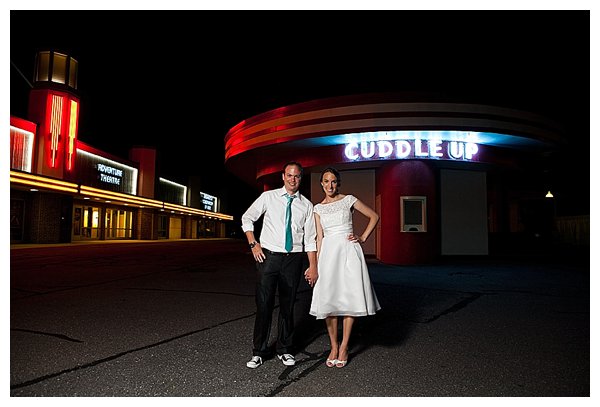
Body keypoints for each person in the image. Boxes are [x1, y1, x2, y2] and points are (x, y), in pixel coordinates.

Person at [241, 161, 318, 369]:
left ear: (301, 178)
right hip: (268, 257)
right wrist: (253, 244)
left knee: (288, 306)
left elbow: (310, 239)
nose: (293, 179)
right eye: (289, 175)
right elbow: (247, 218)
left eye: (297, 176)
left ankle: (284, 349)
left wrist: (313, 266)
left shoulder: (307, 206)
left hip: (293, 258)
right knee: (264, 305)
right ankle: (259, 351)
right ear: (283, 177)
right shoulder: (269, 197)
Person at [308, 167, 381, 368]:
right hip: (329, 254)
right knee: (329, 301)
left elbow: (374, 216)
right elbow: (320, 237)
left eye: (333, 181)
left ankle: (344, 346)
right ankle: (333, 345)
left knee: (350, 297)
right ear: (321, 183)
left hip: (349, 251)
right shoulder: (317, 208)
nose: (330, 185)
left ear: (337, 183)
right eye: (326, 181)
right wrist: (316, 264)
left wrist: (363, 237)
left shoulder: (349, 199)